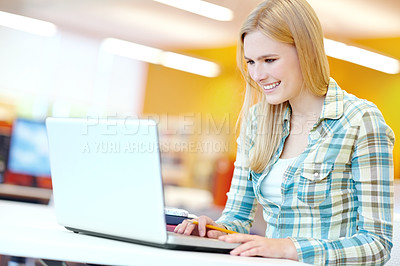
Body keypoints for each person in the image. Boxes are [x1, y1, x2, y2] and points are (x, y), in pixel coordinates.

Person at [174, 0, 395, 264]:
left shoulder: (359, 120)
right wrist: (215, 231)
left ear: (306, 51)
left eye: (269, 60)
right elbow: (237, 218)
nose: (258, 74)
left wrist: (290, 249)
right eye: (251, 62)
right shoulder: (257, 121)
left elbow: (377, 243)